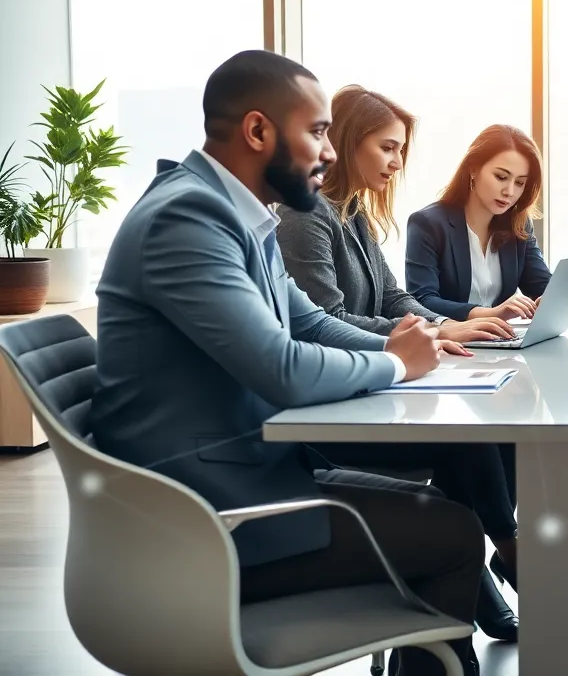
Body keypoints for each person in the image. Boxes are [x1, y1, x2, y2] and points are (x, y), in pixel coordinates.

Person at [88, 50, 485, 676]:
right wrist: (397, 367)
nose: (329, 150)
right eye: (318, 131)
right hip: (200, 520)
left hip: (248, 478)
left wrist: (399, 345)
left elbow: (307, 322)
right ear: (257, 131)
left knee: (451, 514)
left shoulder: (242, 214)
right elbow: (283, 369)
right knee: (453, 536)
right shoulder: (187, 218)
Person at [274, 85, 522, 643]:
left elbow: (391, 297)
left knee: (493, 431)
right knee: (471, 437)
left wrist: (439, 327)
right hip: (335, 407)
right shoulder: (303, 217)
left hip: (371, 387)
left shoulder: (354, 211)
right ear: (345, 140)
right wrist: (417, 340)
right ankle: (504, 553)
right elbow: (325, 320)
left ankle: (474, 572)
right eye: (387, 147)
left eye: (400, 151)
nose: (395, 162)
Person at [405, 124, 550, 323]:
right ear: (473, 168)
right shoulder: (428, 223)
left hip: (497, 345)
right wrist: (492, 314)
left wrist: (549, 300)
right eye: (501, 177)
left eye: (519, 183)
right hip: (450, 342)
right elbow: (422, 301)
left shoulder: (519, 224)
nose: (509, 191)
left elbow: (541, 286)